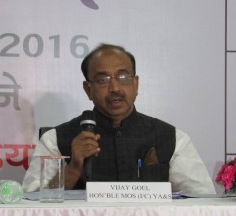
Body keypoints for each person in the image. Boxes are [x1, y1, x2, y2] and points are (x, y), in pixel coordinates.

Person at [22, 43, 216, 194]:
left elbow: (202, 200)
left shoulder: (172, 138)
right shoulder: (56, 139)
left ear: (136, 84)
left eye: (123, 77)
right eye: (102, 80)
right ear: (88, 89)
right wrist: (73, 168)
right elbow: (30, 204)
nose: (115, 88)